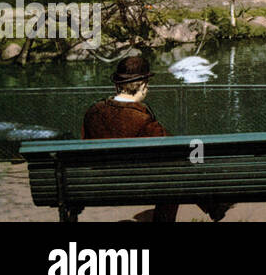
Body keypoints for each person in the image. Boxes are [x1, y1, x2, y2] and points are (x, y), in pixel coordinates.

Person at [82, 55, 231, 222]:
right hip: (138, 185)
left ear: (117, 85)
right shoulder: (141, 119)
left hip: (98, 183)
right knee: (180, 169)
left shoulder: (93, 111)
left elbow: (85, 145)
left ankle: (214, 206)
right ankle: (213, 206)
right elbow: (173, 146)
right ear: (144, 85)